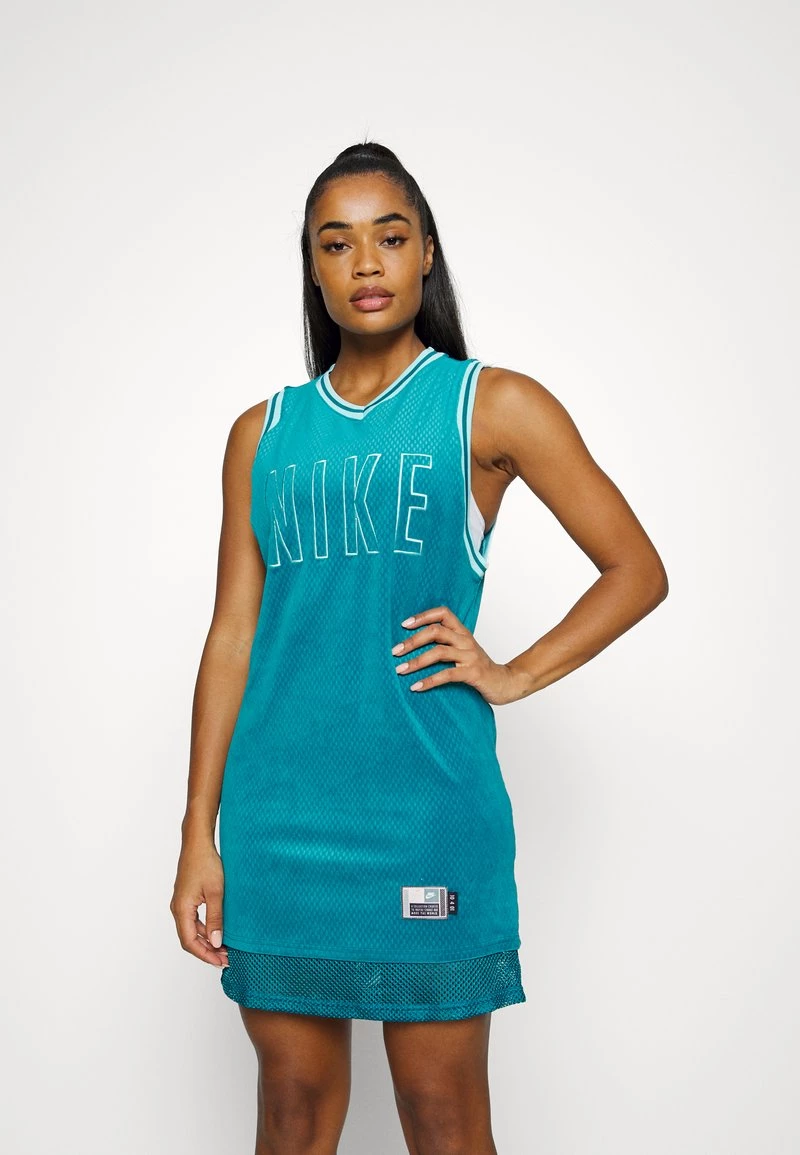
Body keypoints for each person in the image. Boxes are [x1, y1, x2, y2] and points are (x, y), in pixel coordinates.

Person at [170, 140, 668, 1155]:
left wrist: (512, 673)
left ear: (427, 253)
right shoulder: (261, 435)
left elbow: (635, 570)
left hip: (427, 818)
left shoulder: (492, 406)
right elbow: (232, 636)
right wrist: (196, 834)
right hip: (280, 825)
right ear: (312, 267)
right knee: (291, 1115)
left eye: (389, 237)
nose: (365, 262)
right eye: (336, 243)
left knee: (441, 1121)